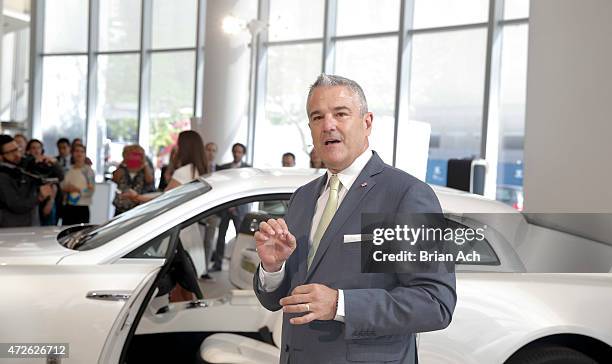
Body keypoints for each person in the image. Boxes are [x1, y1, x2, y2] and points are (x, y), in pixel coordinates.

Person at [253, 74, 456, 363]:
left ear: (367, 122)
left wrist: (340, 304)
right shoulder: (303, 198)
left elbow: (435, 303)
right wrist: (273, 269)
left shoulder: (406, 195)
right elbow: (278, 299)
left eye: (340, 113)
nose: (328, 125)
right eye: (317, 117)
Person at [212, 142, 251, 271]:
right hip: (225, 209)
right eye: (235, 151)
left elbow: (247, 190)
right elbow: (221, 188)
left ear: (243, 153)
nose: (237, 154)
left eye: (239, 151)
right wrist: (228, 205)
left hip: (240, 210)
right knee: (220, 237)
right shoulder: (223, 168)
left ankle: (237, 266)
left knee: (240, 239)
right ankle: (217, 264)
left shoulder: (249, 169)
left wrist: (235, 205)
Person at [0, 135, 54, 227]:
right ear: (1, 156)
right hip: (12, 229)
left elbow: (57, 175)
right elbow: (16, 205)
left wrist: (52, 163)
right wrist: (39, 197)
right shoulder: (2, 176)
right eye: (11, 152)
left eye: (17, 149)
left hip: (31, 224)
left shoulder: (23, 166)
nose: (17, 154)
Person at [25, 139, 63, 225]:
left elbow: (60, 177)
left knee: (49, 230)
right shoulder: (25, 164)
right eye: (33, 148)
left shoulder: (47, 162)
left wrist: (54, 163)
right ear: (28, 150)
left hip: (48, 201)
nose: (36, 150)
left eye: (38, 147)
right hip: (32, 202)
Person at [112, 144, 155, 215]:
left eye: (137, 155)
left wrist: (144, 164)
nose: (134, 157)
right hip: (121, 206)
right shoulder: (122, 168)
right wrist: (123, 164)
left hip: (139, 207)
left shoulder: (145, 169)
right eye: (130, 155)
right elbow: (115, 179)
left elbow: (150, 180)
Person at [61, 143, 95, 225]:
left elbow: (91, 191)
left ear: (85, 154)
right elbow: (62, 185)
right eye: (76, 151)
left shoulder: (88, 171)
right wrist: (66, 189)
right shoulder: (68, 170)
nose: (79, 154)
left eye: (82, 151)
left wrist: (77, 190)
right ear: (72, 153)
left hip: (82, 206)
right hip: (68, 206)